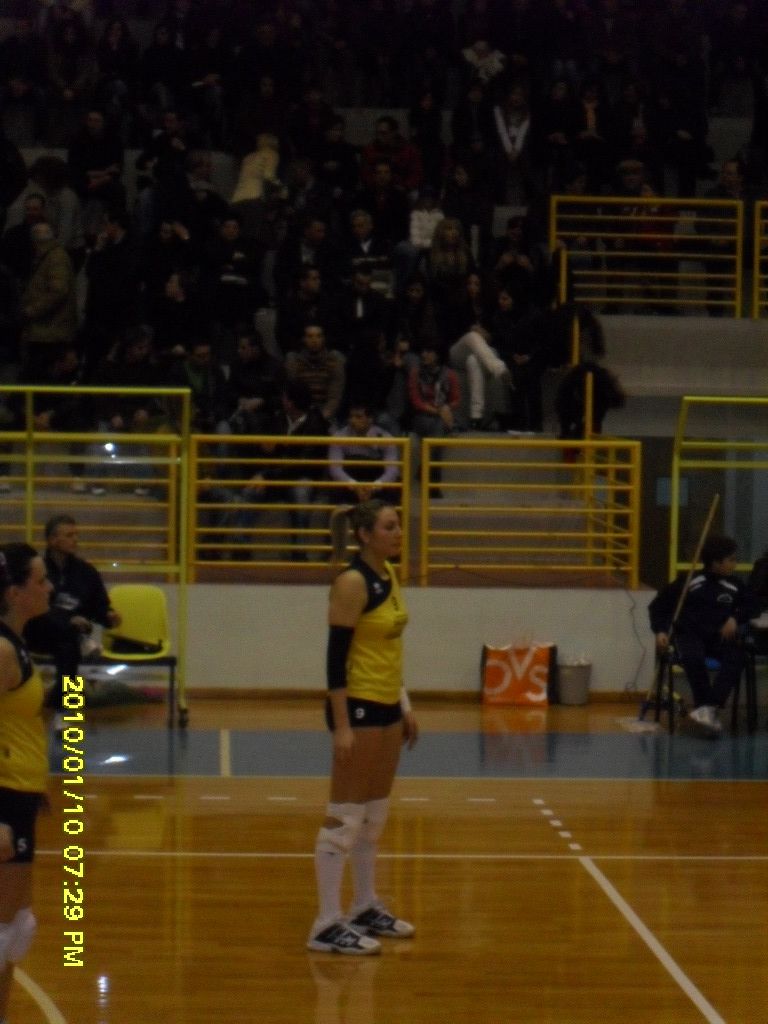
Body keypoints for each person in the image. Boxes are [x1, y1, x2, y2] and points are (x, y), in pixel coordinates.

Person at [308, 498, 418, 955]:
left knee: (374, 815)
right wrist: (341, 726)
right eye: (389, 527)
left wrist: (404, 704)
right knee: (345, 817)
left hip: (387, 705)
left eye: (399, 525)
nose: (398, 533)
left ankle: (364, 905)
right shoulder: (352, 582)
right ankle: (326, 923)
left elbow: (387, 651)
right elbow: (335, 659)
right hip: (357, 706)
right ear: (366, 535)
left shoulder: (388, 574)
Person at [0, 542, 54, 1021]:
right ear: (15, 593)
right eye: (40, 580)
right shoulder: (1, 651)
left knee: (17, 929)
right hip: (4, 800)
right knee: (4, 933)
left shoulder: (16, 644)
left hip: (21, 793)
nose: (50, 587)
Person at [648, 534, 759, 737]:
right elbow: (658, 607)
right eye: (731, 560)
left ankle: (708, 708)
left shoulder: (735, 584)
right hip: (690, 635)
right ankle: (706, 710)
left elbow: (753, 606)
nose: (735, 564)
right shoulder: (688, 581)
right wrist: (660, 630)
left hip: (720, 638)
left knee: (738, 656)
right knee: (693, 657)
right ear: (716, 562)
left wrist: (735, 618)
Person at [23, 515, 121, 732]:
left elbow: (99, 607)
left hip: (68, 638)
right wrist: (68, 619)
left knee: (68, 646)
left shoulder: (87, 572)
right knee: (69, 635)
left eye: (76, 535)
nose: (75, 539)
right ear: (52, 540)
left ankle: (63, 710)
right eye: (69, 535)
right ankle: (65, 705)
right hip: (38, 632)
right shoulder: (38, 570)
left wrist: (110, 616)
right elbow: (30, 607)